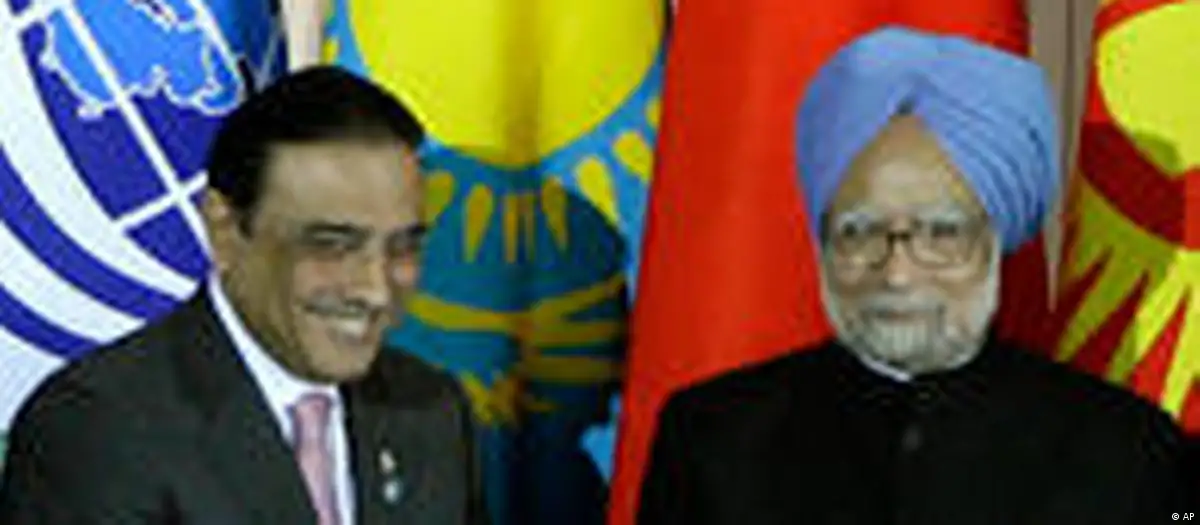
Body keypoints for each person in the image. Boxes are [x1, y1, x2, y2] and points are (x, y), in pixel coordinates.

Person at [636, 27, 1193, 525]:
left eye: (941, 233)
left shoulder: (1128, 449)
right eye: (860, 232)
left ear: (994, 240)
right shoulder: (712, 436)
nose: (898, 272)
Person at [0, 66, 487, 525]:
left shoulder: (432, 410)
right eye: (332, 245)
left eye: (403, 246)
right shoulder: (99, 429)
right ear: (225, 231)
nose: (375, 290)